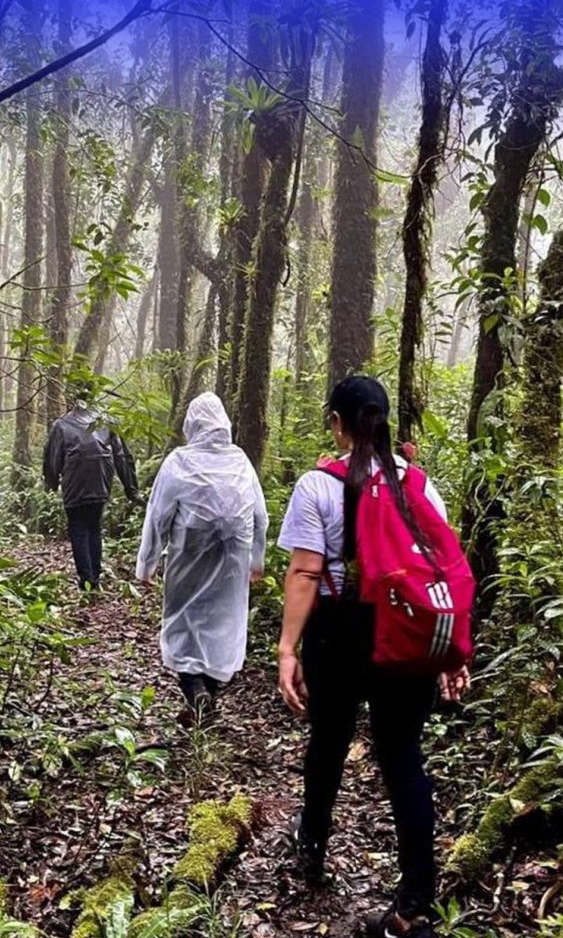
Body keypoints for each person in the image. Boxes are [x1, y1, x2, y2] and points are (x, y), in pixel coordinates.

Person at [276, 375, 470, 938]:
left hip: (339, 629)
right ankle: (414, 905)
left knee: (330, 738)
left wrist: (287, 648)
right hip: (406, 630)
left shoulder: (318, 485)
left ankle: (311, 844)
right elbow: (442, 571)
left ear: (336, 422)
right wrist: (451, 651)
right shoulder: (420, 485)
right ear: (385, 422)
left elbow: (307, 571)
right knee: (403, 755)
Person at [135, 392, 268, 720]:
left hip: (189, 554)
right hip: (233, 560)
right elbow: (260, 516)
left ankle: (195, 689)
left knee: (183, 619)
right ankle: (207, 692)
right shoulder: (239, 461)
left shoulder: (179, 461)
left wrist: (147, 564)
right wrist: (256, 560)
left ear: (191, 425)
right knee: (224, 624)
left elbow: (158, 516)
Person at [43, 396, 139, 591]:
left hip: (75, 484)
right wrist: (131, 489)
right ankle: (94, 578)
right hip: (100, 481)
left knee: (78, 529)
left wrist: (51, 483)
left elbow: (53, 457)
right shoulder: (106, 421)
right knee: (94, 527)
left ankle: (87, 581)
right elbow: (121, 455)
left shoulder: (61, 425)